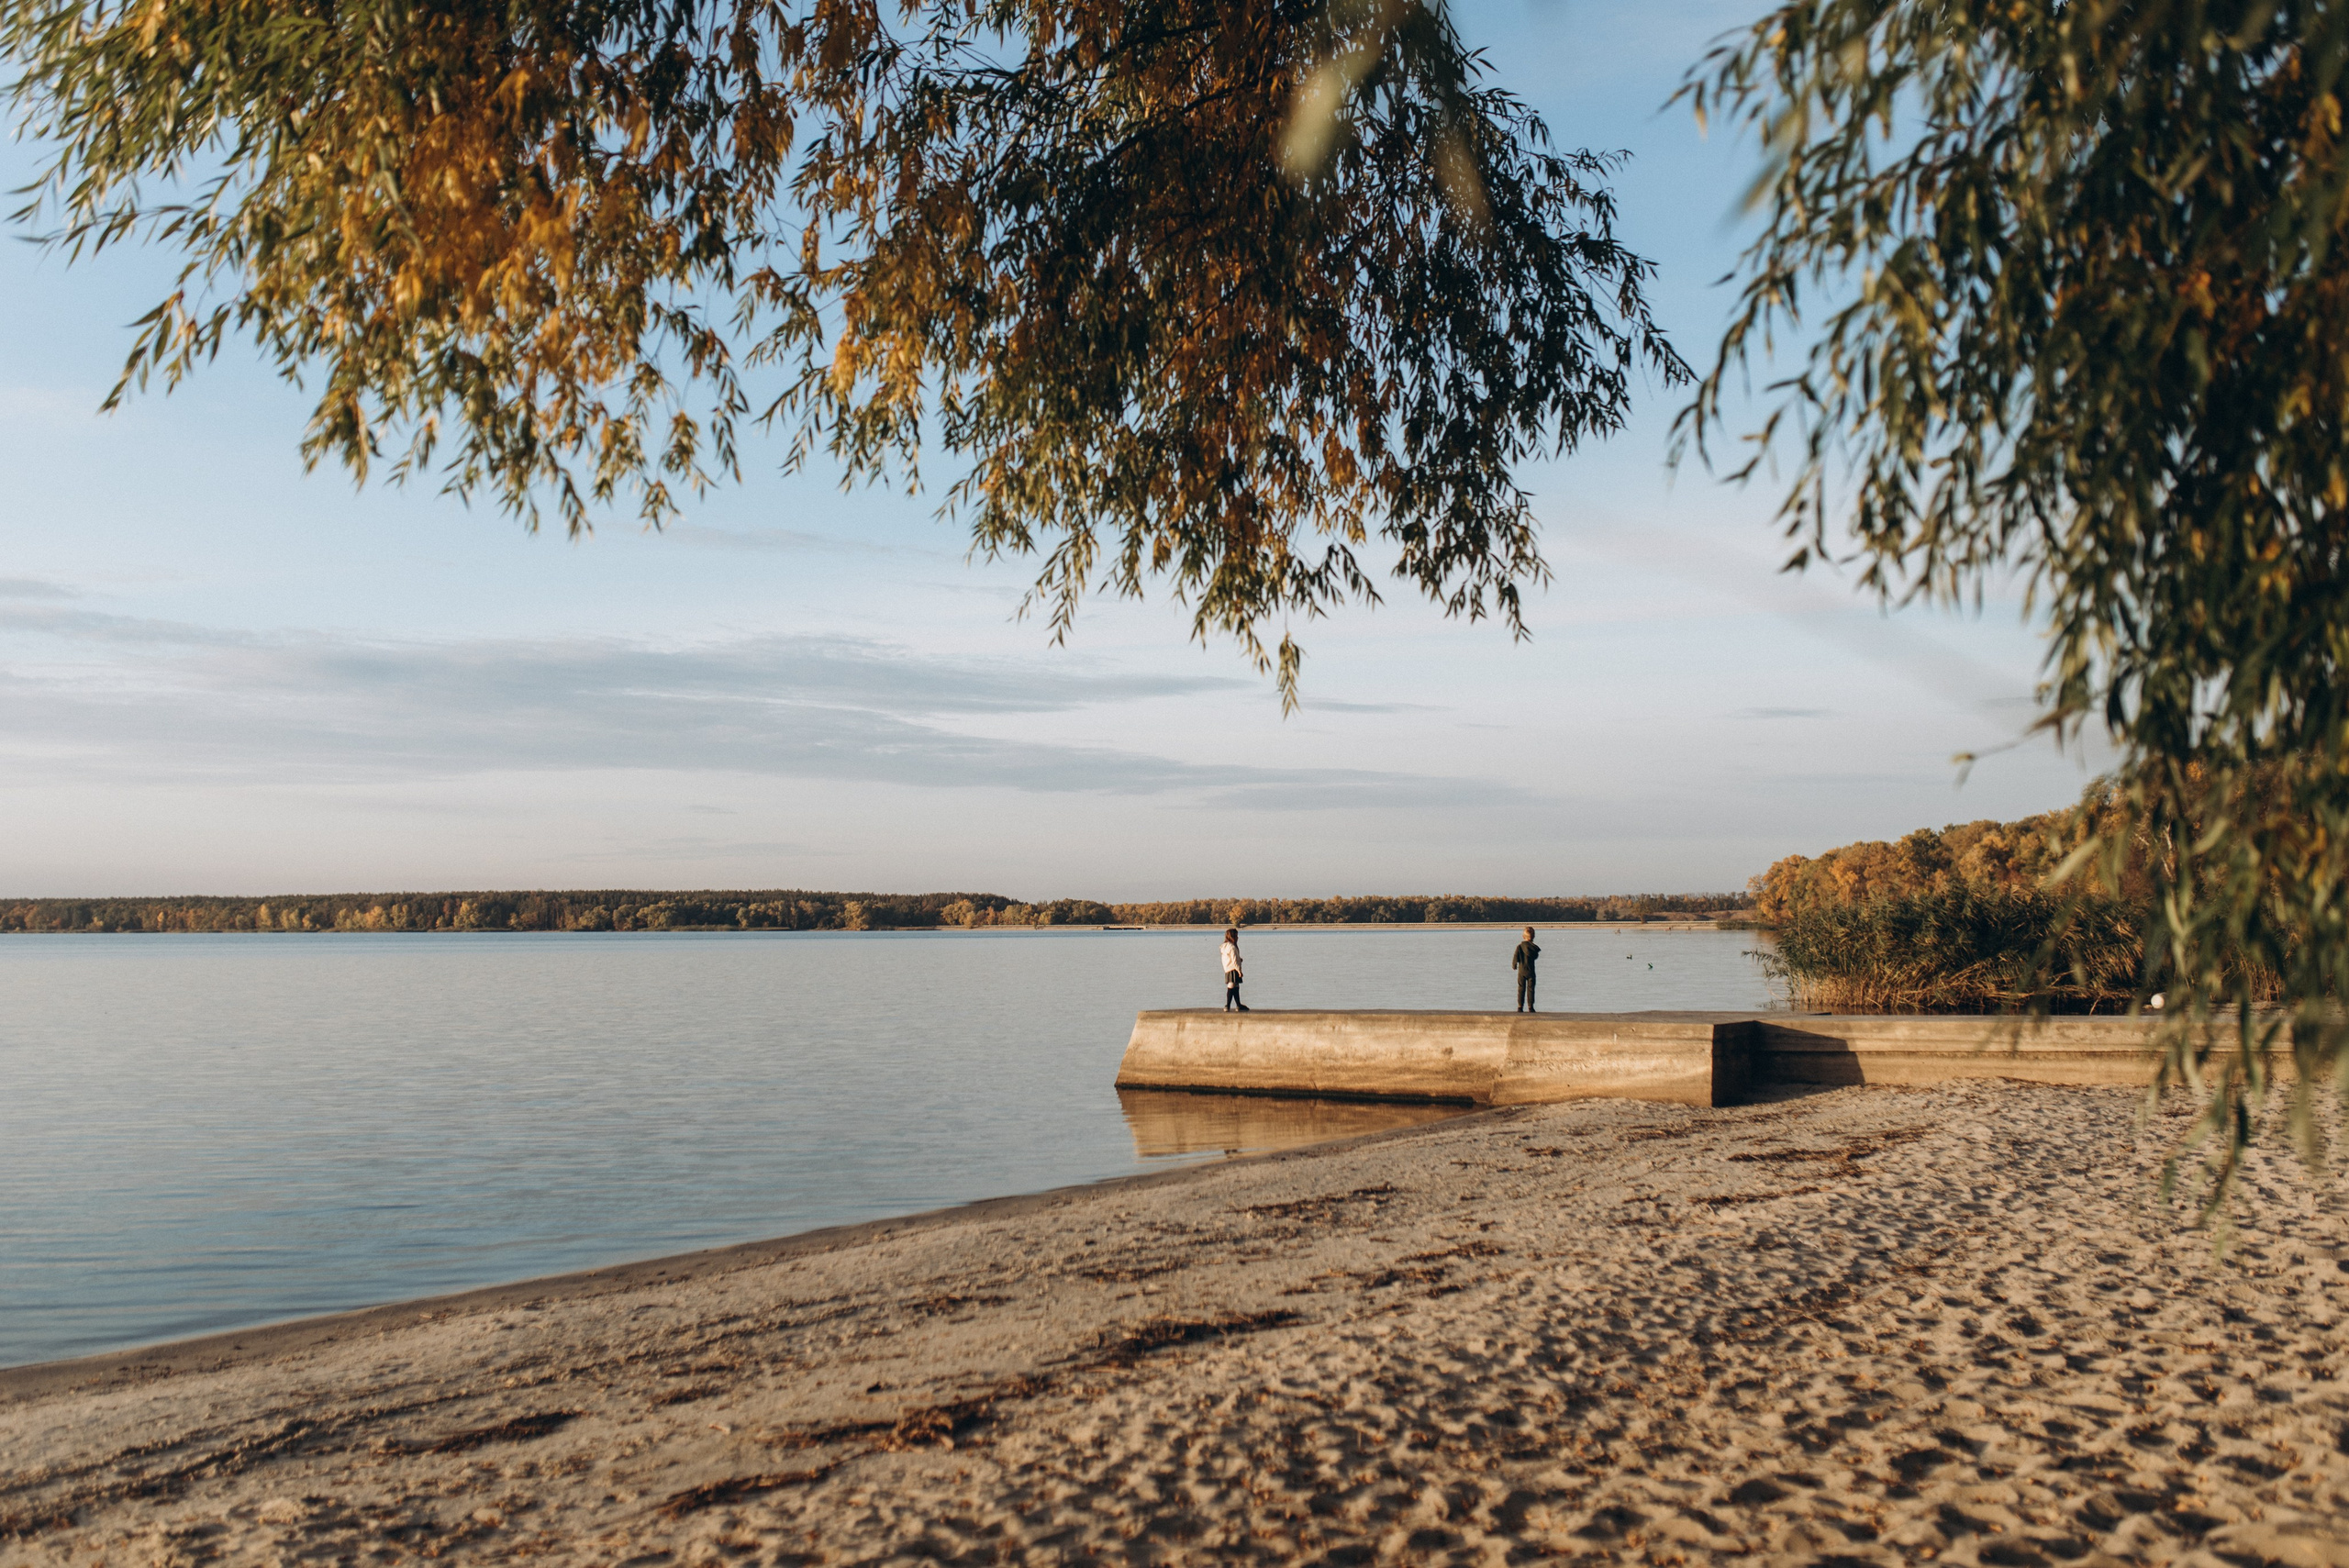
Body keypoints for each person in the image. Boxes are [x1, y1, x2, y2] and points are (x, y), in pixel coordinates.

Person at [1220, 927, 1249, 1012]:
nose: (1237, 938)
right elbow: (1234, 960)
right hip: (1233, 969)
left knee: (1236, 986)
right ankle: (1227, 1005)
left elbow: (1229, 959)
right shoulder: (1232, 947)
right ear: (1232, 937)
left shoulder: (1224, 947)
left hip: (1227, 968)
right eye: (1236, 936)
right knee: (1231, 986)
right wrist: (1239, 970)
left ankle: (1238, 1005)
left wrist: (1240, 959)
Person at [1512, 927, 1541, 1013]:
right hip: (1531, 971)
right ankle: (1530, 1006)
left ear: (1523, 936)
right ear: (1533, 937)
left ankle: (1520, 1006)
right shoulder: (1534, 948)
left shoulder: (1520, 947)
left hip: (1521, 971)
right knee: (1531, 989)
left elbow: (1515, 956)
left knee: (1521, 988)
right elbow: (1535, 957)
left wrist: (1514, 965)